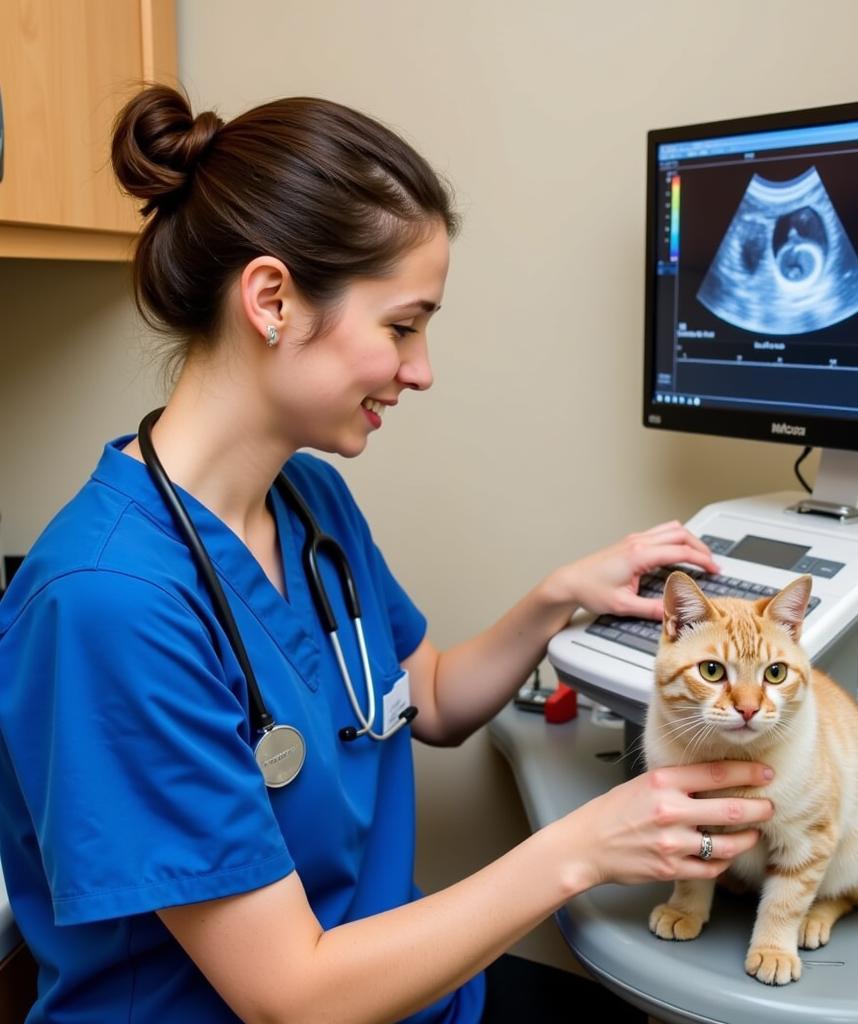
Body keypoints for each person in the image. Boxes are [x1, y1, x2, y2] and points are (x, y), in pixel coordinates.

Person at [0, 85, 774, 1024]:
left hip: (404, 994)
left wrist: (558, 598)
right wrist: (584, 848)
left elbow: (434, 699)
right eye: (403, 325)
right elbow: (292, 995)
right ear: (273, 299)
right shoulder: (106, 604)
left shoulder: (307, 500)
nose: (423, 368)